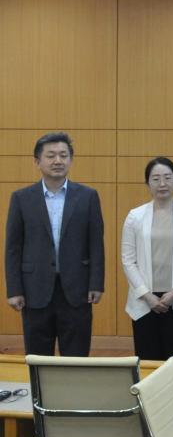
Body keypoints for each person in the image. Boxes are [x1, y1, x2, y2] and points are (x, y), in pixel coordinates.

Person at [5, 132, 104, 356]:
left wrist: (96, 283)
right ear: (37, 161)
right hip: (34, 290)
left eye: (63, 155)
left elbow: (96, 244)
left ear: (71, 160)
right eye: (50, 156)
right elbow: (13, 248)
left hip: (77, 290)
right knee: (38, 359)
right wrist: (14, 289)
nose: (57, 161)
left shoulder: (88, 196)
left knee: (76, 358)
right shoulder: (21, 198)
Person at [120, 157, 173, 361]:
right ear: (147, 184)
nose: (162, 183)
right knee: (149, 363)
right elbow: (128, 260)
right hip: (145, 302)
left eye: (167, 177)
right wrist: (147, 295)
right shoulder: (135, 216)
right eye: (155, 179)